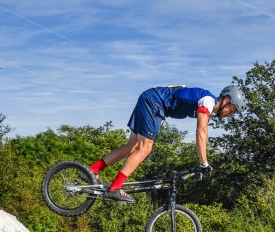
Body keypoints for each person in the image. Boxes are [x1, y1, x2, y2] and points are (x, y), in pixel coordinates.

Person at [86, 85, 246, 203]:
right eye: (233, 110)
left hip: (150, 98)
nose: (231, 115)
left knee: (132, 147)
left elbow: (203, 132)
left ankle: (92, 170)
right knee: (145, 148)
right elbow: (201, 132)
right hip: (154, 103)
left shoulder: (207, 102)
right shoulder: (208, 101)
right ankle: (114, 188)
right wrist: (204, 163)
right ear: (226, 100)